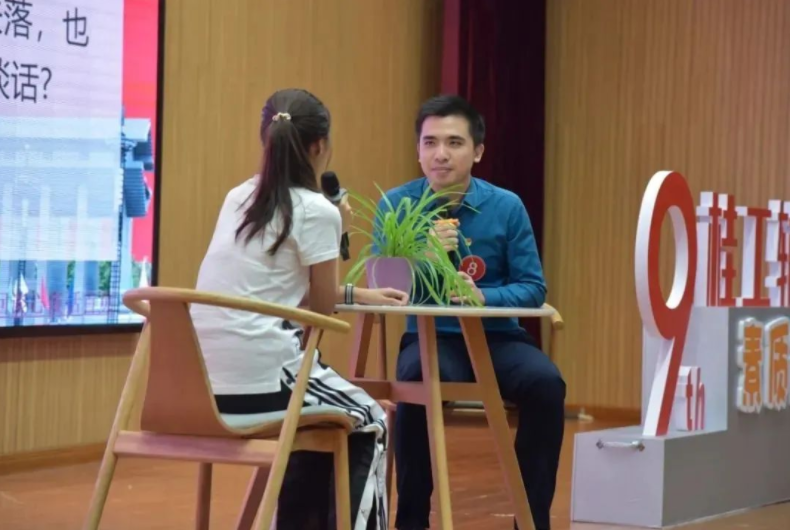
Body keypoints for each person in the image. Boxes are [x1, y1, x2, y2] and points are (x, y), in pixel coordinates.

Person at [190, 88, 409, 530]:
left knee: (322, 420)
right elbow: (322, 309)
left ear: (265, 139)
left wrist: (359, 295)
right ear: (319, 146)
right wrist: (340, 229)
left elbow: (278, 289)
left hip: (200, 387)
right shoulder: (316, 210)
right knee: (371, 418)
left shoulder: (238, 198)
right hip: (264, 382)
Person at [376, 95, 566, 530]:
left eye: (454, 142)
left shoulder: (506, 206)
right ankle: (411, 522)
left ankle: (531, 521)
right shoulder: (396, 205)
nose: (440, 154)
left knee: (546, 385)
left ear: (478, 151)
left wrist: (486, 298)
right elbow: (380, 287)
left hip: (499, 338)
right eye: (430, 143)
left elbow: (533, 287)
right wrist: (423, 259)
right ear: (418, 150)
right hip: (431, 337)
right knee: (416, 382)